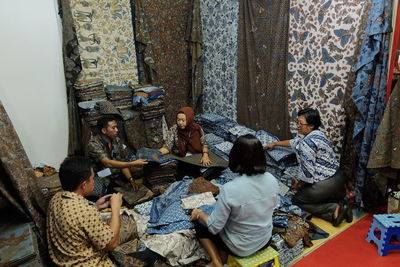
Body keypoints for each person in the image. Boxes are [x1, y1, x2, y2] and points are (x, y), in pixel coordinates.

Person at [190, 134, 279, 267]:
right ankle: (222, 258)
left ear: (236, 157)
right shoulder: (272, 179)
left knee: (200, 225)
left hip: (241, 248)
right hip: (264, 240)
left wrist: (199, 214)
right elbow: (273, 205)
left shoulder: (229, 189)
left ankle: (216, 262)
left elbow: (214, 228)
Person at [265, 108, 351, 226]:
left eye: (300, 123)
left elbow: (308, 175)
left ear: (311, 125)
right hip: (339, 178)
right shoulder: (318, 134)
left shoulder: (307, 144)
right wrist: (275, 143)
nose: (297, 126)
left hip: (326, 183)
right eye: (297, 122)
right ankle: (342, 203)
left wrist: (298, 185)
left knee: (297, 201)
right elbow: (293, 142)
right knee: (310, 194)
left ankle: (333, 210)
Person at [47, 156, 123, 266]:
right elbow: (111, 244)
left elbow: (76, 219)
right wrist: (115, 208)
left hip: (63, 260)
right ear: (84, 185)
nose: (93, 182)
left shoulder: (55, 198)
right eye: (92, 179)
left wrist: (96, 207)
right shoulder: (85, 212)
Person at [87, 115, 148, 192]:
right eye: (113, 128)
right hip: (99, 177)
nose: (117, 130)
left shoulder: (116, 140)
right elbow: (108, 163)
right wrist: (132, 163)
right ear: (104, 131)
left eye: (116, 127)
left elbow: (121, 161)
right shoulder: (94, 144)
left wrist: (131, 179)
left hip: (115, 175)